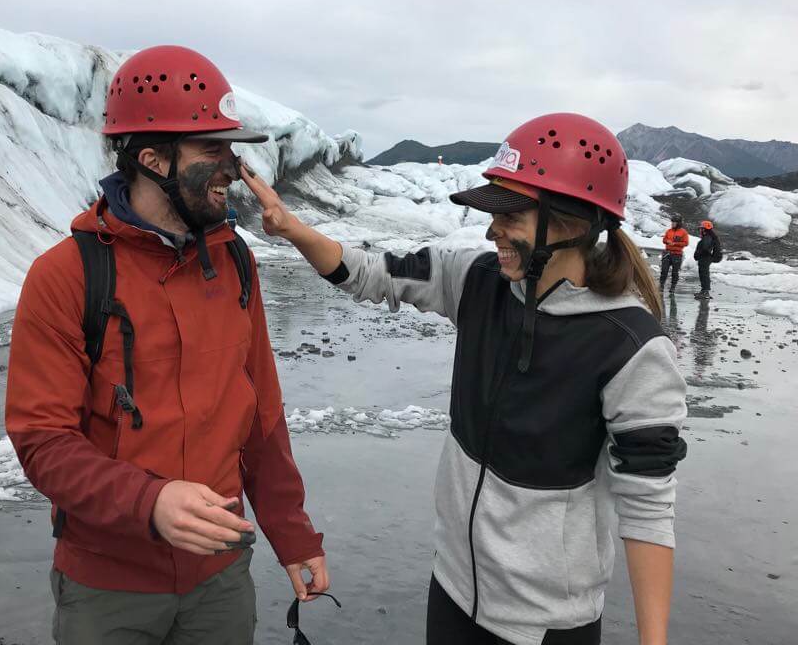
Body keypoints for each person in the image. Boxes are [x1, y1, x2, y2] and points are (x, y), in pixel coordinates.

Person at [241, 113, 688, 645]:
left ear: (572, 221)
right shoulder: (476, 280)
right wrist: (291, 227)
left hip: (543, 625)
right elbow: (365, 271)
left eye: (510, 214)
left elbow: (648, 507)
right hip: (452, 592)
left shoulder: (630, 345)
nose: (491, 229)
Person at [5, 45, 328, 644]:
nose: (233, 167)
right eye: (213, 150)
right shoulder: (66, 276)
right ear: (152, 159)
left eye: (232, 149)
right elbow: (42, 441)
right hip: (109, 590)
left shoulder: (234, 262)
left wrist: (292, 533)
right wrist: (149, 501)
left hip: (220, 578)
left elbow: (262, 415)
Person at [659, 215, 689, 293]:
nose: (672, 224)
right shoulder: (669, 231)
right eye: (672, 222)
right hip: (667, 253)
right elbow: (664, 239)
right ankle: (661, 285)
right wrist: (667, 241)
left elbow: (686, 243)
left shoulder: (683, 232)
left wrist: (675, 244)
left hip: (677, 254)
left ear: (678, 223)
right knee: (664, 270)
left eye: (674, 222)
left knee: (675, 272)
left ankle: (673, 287)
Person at [693, 220, 721, 299]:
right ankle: (704, 291)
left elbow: (705, 248)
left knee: (704, 275)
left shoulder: (707, 237)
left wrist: (699, 254)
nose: (700, 230)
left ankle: (705, 292)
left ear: (705, 229)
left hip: (705, 258)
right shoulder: (708, 237)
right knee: (703, 274)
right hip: (705, 258)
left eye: (701, 228)